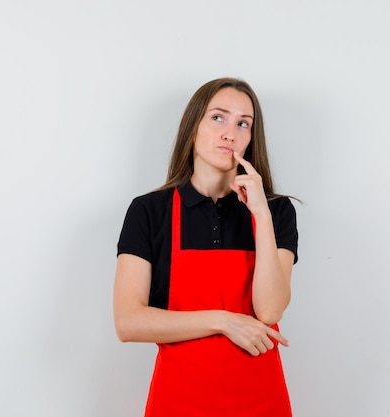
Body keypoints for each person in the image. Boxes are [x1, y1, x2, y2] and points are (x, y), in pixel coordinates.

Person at [113, 77, 299, 417]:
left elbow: (270, 311)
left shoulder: (276, 211)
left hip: (261, 401)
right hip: (179, 402)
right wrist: (223, 321)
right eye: (218, 117)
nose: (231, 132)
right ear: (193, 127)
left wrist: (260, 212)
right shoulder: (149, 211)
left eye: (243, 123)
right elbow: (128, 322)